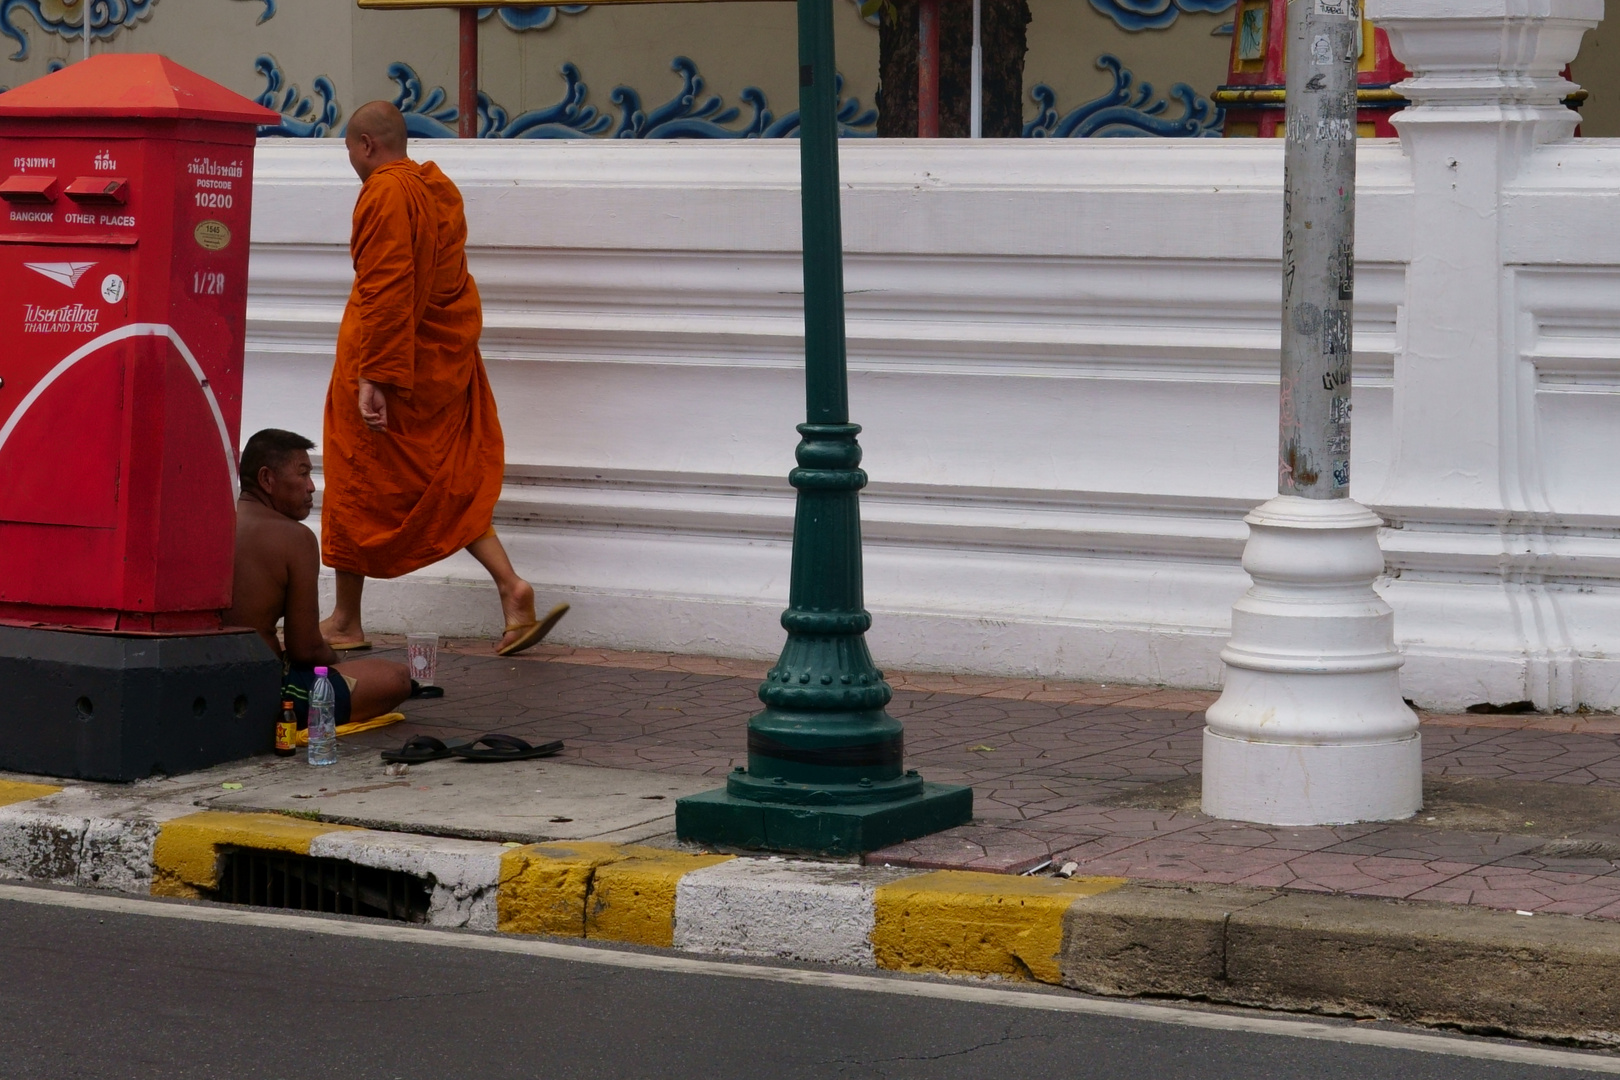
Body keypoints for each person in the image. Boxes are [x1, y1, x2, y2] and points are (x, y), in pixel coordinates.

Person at [317, 100, 566, 657]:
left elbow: (388, 284)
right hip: (435, 360)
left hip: (386, 362)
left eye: (350, 151)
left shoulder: (384, 192)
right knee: (447, 486)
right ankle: (512, 588)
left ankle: (346, 620)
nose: (351, 162)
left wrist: (374, 374)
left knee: (354, 477)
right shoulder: (435, 188)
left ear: (366, 145)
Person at [228, 428, 412, 727]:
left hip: (211, 676)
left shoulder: (220, 519)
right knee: (397, 677)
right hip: (266, 690)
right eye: (302, 474)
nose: (311, 487)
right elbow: (306, 648)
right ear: (266, 479)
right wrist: (337, 665)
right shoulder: (295, 538)